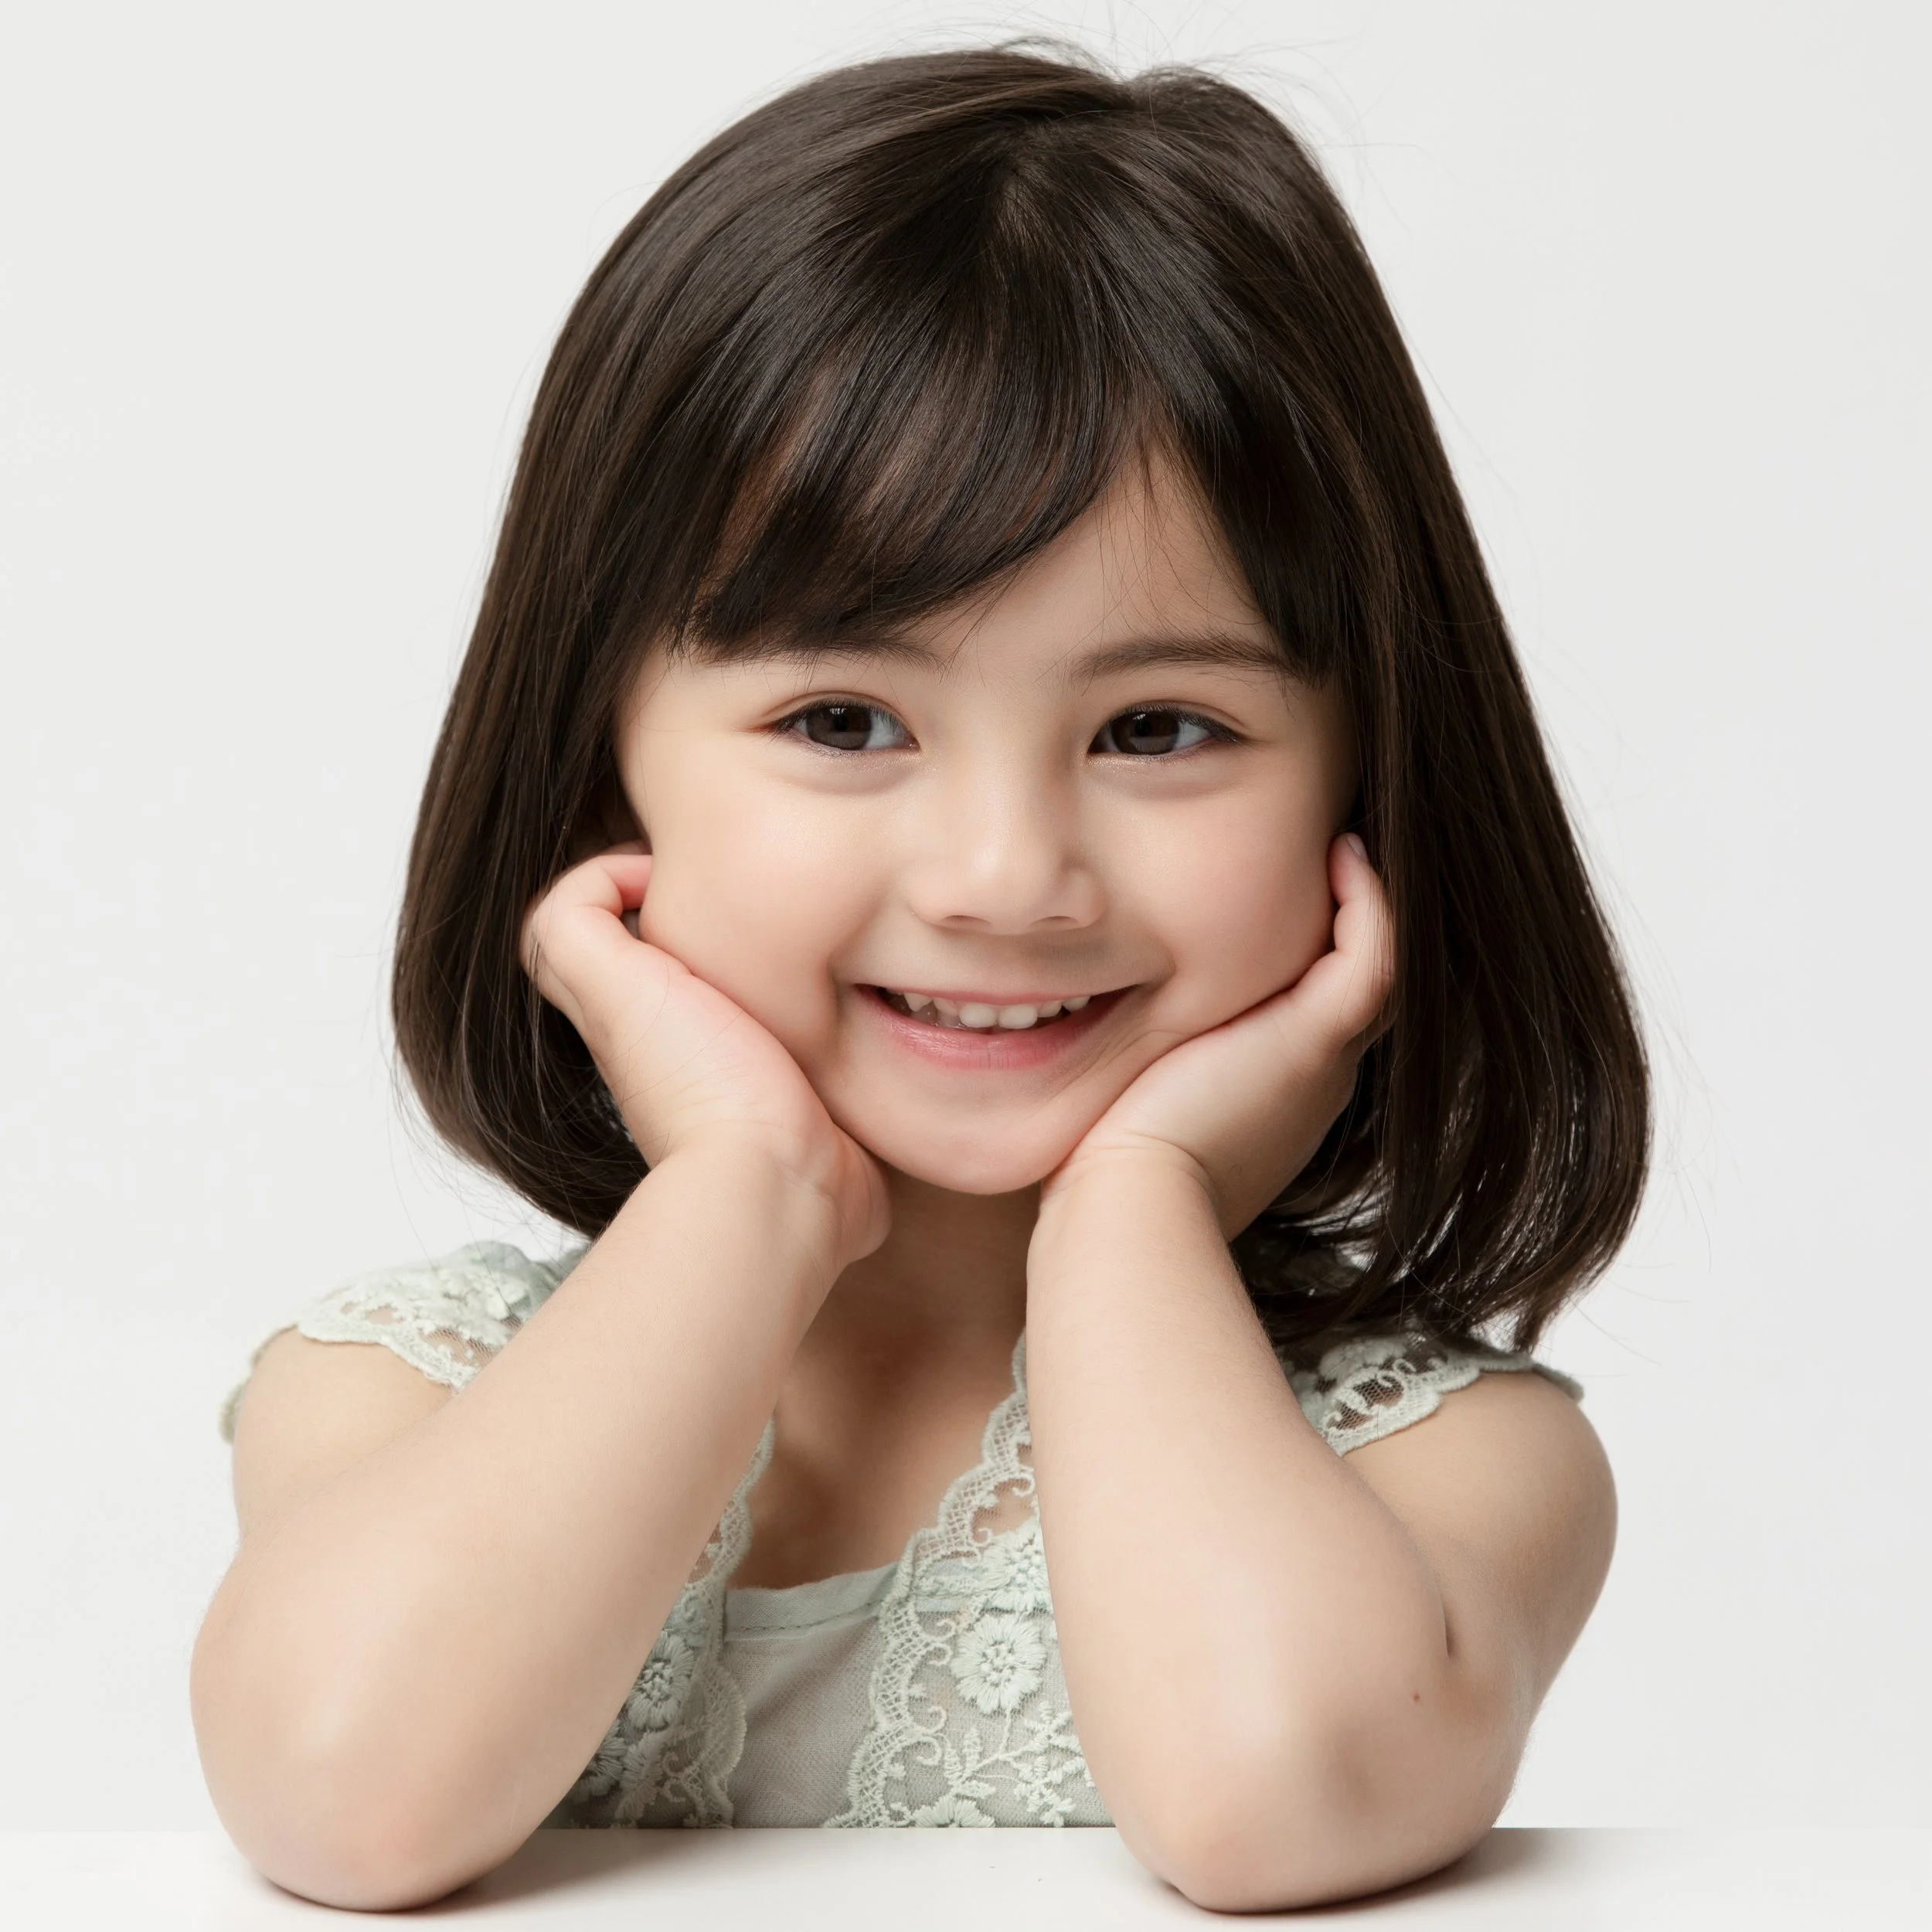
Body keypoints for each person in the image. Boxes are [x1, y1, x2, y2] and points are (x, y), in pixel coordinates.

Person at [191, 46, 1648, 1914]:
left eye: (1158, 725)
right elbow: (345, 1804)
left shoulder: (1443, 1464)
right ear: (599, 765)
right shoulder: (398, 1393)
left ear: (1365, 787)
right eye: (844, 716)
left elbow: (1271, 1802)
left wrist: (1140, 1205)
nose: (1002, 877)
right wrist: (744, 1186)